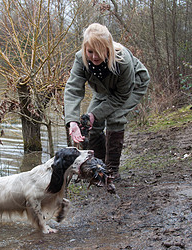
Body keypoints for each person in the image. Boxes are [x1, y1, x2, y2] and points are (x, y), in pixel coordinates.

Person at [64, 23, 150, 187]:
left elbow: (120, 97)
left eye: (100, 51)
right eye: (90, 52)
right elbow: (73, 89)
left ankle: (111, 171)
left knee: (115, 116)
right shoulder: (80, 59)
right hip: (103, 90)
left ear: (108, 48)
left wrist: (95, 113)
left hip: (131, 87)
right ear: (85, 49)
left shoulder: (122, 61)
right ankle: (99, 168)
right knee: (90, 123)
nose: (95, 57)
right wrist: (73, 121)